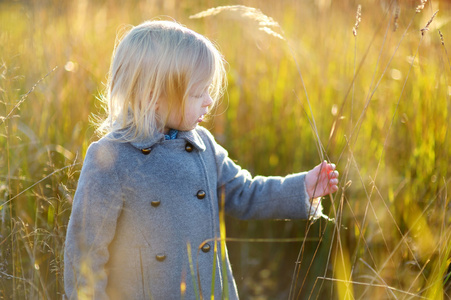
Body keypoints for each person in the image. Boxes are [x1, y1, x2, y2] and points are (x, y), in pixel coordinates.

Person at [63, 20, 339, 300]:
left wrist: (303, 187)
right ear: (153, 96)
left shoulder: (202, 143)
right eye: (198, 93)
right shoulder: (111, 157)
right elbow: (85, 253)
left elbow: (245, 191)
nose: (209, 101)